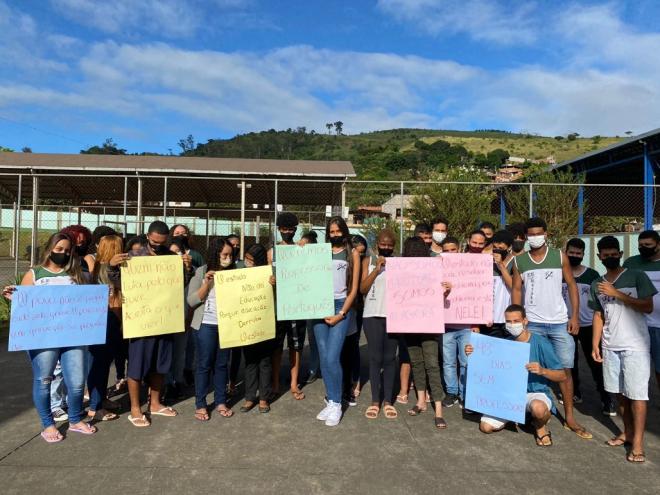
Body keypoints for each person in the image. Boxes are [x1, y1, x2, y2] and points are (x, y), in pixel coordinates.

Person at [5, 232, 97, 441]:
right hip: (43, 338)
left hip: (74, 336)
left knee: (76, 383)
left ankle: (75, 419)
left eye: (67, 250)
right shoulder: (35, 274)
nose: (63, 253)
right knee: (44, 380)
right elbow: (25, 304)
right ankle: (48, 424)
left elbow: (88, 301)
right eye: (59, 249)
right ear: (49, 249)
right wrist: (14, 298)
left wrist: (101, 296)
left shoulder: (77, 273)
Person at [512, 217, 591, 439]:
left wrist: (574, 316)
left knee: (565, 371)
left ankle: (570, 417)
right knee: (529, 368)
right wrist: (518, 319)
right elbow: (516, 290)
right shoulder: (519, 261)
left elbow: (572, 286)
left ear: (546, 234)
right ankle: (531, 411)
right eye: (531, 234)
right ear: (525, 237)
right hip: (533, 324)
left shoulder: (559, 256)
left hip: (559, 323)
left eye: (539, 233)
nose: (535, 237)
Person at [109, 221, 191, 427]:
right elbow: (118, 282)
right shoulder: (133, 257)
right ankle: (135, 408)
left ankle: (155, 403)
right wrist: (112, 266)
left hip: (164, 320)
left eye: (162, 242)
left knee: (161, 365)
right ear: (147, 236)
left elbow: (180, 284)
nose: (157, 245)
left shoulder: (171, 258)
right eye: (154, 242)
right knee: (136, 366)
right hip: (141, 322)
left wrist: (187, 269)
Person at [590, 236, 656, 463]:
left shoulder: (637, 276)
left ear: (620, 254)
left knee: (637, 395)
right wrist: (595, 343)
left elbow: (648, 306)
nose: (610, 257)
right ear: (599, 257)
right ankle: (626, 432)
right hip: (610, 345)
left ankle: (637, 443)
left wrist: (617, 293)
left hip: (635, 345)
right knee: (618, 393)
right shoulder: (596, 284)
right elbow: (598, 314)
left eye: (613, 254)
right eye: (605, 255)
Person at [465, 304, 567, 447]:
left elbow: (562, 376)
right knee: (485, 427)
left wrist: (543, 371)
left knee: (539, 409)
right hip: (508, 396)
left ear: (525, 321)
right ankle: (515, 416)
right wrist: (473, 353)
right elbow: (490, 366)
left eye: (516, 321)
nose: (512, 325)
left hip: (535, 393)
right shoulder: (504, 343)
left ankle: (540, 427)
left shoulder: (541, 343)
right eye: (509, 321)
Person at [314, 216, 361, 426]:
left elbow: (354, 290)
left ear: (344, 231)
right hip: (318, 306)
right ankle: (331, 400)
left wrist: (341, 313)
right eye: (331, 232)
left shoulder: (353, 254)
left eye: (338, 231)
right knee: (324, 358)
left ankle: (336, 403)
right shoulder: (320, 252)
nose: (335, 235)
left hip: (341, 306)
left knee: (333, 357)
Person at [402, 237, 452, 429]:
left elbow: (438, 294)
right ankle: (421, 401)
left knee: (430, 364)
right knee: (419, 362)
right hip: (410, 322)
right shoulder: (402, 270)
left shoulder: (434, 268)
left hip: (428, 323)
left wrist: (446, 291)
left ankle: (438, 409)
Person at [187, 237, 236, 420]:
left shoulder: (234, 273)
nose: (228, 258)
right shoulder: (201, 271)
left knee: (222, 364)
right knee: (204, 364)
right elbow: (191, 301)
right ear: (216, 254)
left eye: (230, 255)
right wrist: (206, 283)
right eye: (224, 255)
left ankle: (221, 401)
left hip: (226, 325)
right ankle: (200, 404)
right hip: (205, 324)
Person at [563, 237, 614, 415]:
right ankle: (574, 392)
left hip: (588, 325)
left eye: (578, 253)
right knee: (570, 362)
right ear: (565, 253)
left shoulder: (592, 275)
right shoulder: (560, 273)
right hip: (566, 324)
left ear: (583, 254)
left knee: (596, 363)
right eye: (571, 252)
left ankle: (606, 398)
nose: (575, 255)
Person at [442, 230, 483, 410]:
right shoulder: (438, 269)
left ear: (459, 249)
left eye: (453, 250)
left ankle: (465, 394)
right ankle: (451, 392)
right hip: (445, 325)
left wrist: (476, 323)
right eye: (446, 250)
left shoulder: (470, 266)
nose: (450, 253)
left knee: (466, 361)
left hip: (467, 326)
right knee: (448, 362)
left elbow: (478, 294)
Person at [268, 212, 307, 400]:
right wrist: (270, 279)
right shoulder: (272, 252)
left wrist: (306, 243)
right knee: (276, 347)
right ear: (279, 229)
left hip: (297, 306)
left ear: (295, 230)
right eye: (284, 229)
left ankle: (293, 383)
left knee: (296, 346)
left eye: (291, 229)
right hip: (277, 307)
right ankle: (275, 383)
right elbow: (263, 276)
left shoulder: (302, 249)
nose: (287, 232)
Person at [360, 229, 398, 419]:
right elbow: (362, 289)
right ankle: (375, 401)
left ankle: (388, 401)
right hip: (372, 315)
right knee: (375, 358)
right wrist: (376, 269)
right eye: (383, 244)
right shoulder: (368, 262)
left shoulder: (399, 264)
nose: (386, 248)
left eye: (390, 245)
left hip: (393, 316)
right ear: (377, 245)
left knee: (390, 358)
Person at [86, 234, 124, 422]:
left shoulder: (99, 267)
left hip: (107, 319)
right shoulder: (102, 269)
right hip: (106, 320)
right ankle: (95, 407)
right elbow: (113, 296)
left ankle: (101, 399)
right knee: (99, 364)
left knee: (104, 362)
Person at [623, 230, 660, 392]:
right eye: (640, 245)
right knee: (635, 370)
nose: (643, 248)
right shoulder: (631, 263)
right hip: (636, 326)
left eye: (648, 245)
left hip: (658, 326)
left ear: (658, 245)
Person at [240, 243, 274, 413]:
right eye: (246, 258)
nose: (247, 262)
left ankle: (263, 399)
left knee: (265, 361)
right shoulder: (241, 273)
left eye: (251, 260)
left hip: (265, 322)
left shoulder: (269, 273)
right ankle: (249, 397)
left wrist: (273, 284)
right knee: (250, 361)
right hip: (247, 323)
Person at [341, 234, 368, 405]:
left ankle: (354, 380)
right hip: (341, 306)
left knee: (353, 345)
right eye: (358, 252)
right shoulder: (343, 262)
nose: (360, 255)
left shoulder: (364, 263)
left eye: (363, 253)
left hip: (356, 307)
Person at [299, 231, 321, 384]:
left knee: (314, 340)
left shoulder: (320, 261)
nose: (301, 247)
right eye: (300, 244)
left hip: (314, 306)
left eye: (304, 245)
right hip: (297, 305)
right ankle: (301, 372)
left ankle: (314, 370)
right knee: (300, 341)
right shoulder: (294, 260)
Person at [486, 230, 515, 338]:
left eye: (501, 248)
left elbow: (513, 286)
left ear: (509, 247)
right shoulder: (487, 261)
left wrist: (501, 265)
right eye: (495, 247)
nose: (497, 250)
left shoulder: (515, 262)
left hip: (509, 318)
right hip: (491, 318)